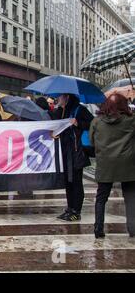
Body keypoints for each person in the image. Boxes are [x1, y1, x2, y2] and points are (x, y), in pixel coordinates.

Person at [89, 94, 135, 239]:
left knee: (101, 197)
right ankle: (133, 228)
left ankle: (98, 228)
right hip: (128, 164)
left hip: (105, 164)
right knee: (131, 197)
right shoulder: (131, 121)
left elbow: (91, 141)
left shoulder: (96, 122)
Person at [52, 94, 94, 222]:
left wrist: (78, 123)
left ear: (67, 97)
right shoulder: (61, 111)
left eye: (60, 97)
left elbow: (92, 123)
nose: (58, 99)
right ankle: (70, 208)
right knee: (68, 181)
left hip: (77, 151)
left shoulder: (79, 109)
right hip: (65, 151)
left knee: (76, 181)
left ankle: (77, 210)